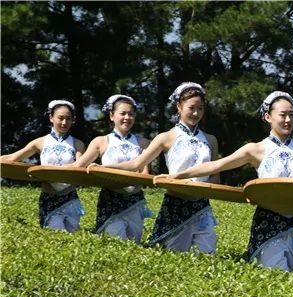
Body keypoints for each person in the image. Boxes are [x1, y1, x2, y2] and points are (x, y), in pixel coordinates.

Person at [154, 91, 293, 271]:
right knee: (278, 274)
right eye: (283, 115)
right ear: (268, 117)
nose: (288, 120)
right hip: (269, 221)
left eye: (291, 115)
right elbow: (216, 166)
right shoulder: (256, 149)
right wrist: (177, 176)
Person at [92, 82, 220, 253]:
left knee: (207, 257)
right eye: (192, 108)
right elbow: (136, 164)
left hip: (202, 208)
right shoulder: (165, 137)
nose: (196, 113)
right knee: (174, 259)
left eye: (201, 108)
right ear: (179, 106)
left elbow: (216, 177)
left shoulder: (211, 140)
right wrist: (104, 168)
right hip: (175, 204)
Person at [74, 94, 153, 242]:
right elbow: (79, 165)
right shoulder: (101, 141)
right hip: (110, 200)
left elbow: (145, 173)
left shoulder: (143, 143)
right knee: (115, 243)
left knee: (134, 246)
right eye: (122, 113)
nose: (127, 117)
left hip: (134, 201)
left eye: (131, 114)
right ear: (112, 115)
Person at [1, 100, 86, 232]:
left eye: (68, 119)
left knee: (74, 236)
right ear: (51, 118)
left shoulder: (78, 144)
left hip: (70, 197)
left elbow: (80, 168)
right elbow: (13, 158)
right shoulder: (40, 142)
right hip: (49, 196)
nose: (64, 123)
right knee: (55, 236)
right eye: (60, 118)